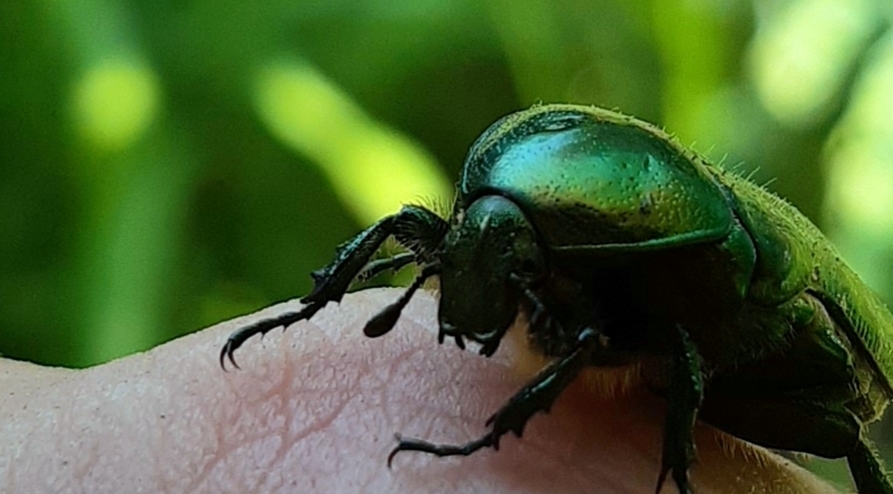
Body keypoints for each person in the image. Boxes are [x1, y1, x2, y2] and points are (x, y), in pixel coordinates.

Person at [0, 288, 840, 493]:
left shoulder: (646, 296)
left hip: (793, 343)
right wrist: (319, 311)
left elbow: (664, 353)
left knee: (673, 355)